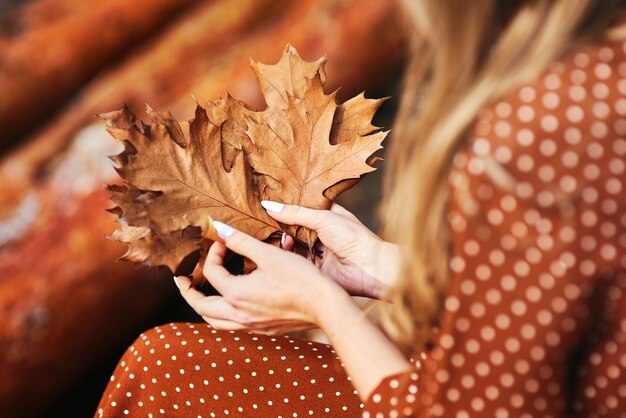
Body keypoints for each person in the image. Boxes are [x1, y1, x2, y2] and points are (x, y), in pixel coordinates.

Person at [96, 0, 626, 416]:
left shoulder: (542, 133)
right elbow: (577, 290)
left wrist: (325, 307)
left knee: (164, 370)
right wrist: (381, 268)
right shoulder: (602, 82)